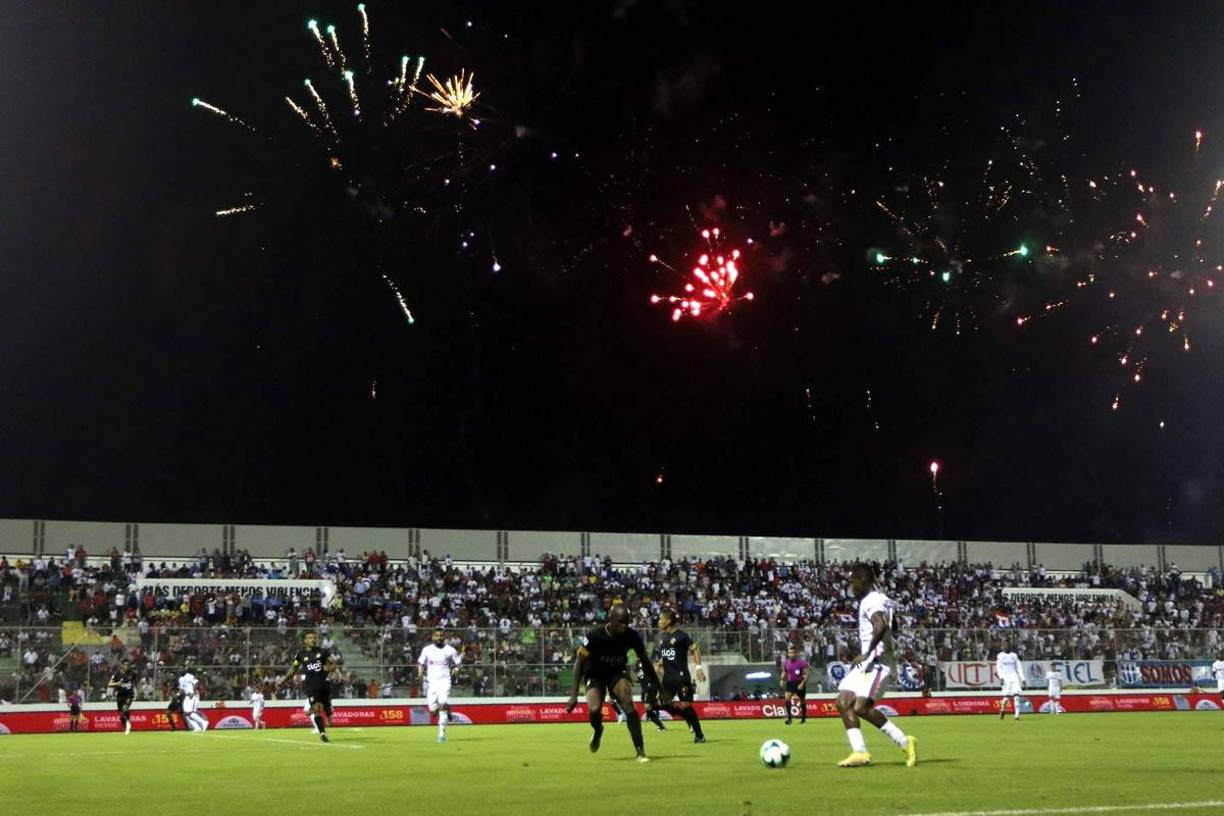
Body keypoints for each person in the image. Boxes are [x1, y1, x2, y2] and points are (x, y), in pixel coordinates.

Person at [835, 563, 918, 768]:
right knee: (843, 702)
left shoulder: (870, 600)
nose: (851, 587)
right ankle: (859, 752)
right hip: (869, 662)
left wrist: (867, 652)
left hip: (878, 662)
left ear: (862, 581)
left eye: (853, 582)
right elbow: (893, 625)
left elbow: (880, 624)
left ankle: (904, 741)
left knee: (861, 707)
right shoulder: (883, 599)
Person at [566, 603, 664, 763]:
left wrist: (660, 688)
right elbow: (579, 662)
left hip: (616, 673)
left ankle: (640, 751)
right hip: (595, 674)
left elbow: (645, 661)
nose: (624, 626)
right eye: (620, 622)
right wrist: (573, 695)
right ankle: (598, 730)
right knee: (594, 709)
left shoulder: (632, 636)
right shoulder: (594, 635)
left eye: (627, 622)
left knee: (628, 703)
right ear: (610, 619)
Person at [655, 608, 706, 743]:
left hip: (681, 677)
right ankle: (687, 718)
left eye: (661, 619)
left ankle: (699, 735)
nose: (659, 621)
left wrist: (698, 667)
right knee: (661, 704)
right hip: (667, 678)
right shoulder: (661, 638)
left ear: (668, 621)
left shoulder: (682, 636)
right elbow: (665, 657)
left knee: (686, 706)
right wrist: (658, 665)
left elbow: (694, 650)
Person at [276, 631, 337, 742]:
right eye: (309, 638)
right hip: (311, 685)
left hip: (324, 684)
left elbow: (333, 663)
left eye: (313, 637)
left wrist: (328, 669)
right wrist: (283, 681)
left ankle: (327, 713)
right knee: (317, 709)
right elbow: (293, 669)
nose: (312, 639)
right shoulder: (300, 654)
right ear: (305, 640)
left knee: (327, 710)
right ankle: (322, 733)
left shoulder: (322, 651)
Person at [417, 629, 462, 743]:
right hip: (431, 683)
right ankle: (447, 709)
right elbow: (420, 663)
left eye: (441, 635)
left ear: (444, 637)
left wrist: (456, 669)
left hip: (444, 681)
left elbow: (459, 663)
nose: (439, 637)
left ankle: (441, 734)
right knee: (433, 711)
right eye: (436, 635)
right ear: (433, 637)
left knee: (442, 704)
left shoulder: (450, 650)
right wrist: (420, 671)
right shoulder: (427, 650)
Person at [107, 658, 137, 735]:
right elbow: (109, 684)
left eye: (128, 664)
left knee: (125, 708)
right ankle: (126, 726)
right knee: (121, 715)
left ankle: (128, 725)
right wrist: (117, 683)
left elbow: (135, 683)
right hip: (120, 695)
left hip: (129, 694)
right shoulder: (116, 674)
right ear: (122, 665)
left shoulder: (132, 673)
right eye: (125, 664)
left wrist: (136, 691)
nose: (126, 666)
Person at [782, 643, 810, 725]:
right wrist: (782, 679)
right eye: (789, 653)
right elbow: (784, 671)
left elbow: (807, 673)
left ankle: (803, 719)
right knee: (787, 699)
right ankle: (789, 718)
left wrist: (802, 683)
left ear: (796, 653)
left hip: (799, 682)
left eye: (793, 653)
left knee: (802, 701)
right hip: (790, 683)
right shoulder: (786, 662)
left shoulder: (802, 663)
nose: (791, 654)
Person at [996, 647, 1024, 720]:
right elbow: (999, 668)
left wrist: (1023, 679)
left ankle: (1016, 716)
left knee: (1016, 697)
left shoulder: (1014, 655)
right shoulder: (1000, 656)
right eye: (1004, 645)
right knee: (1006, 698)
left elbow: (1019, 668)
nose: (1006, 647)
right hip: (1006, 678)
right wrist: (1001, 677)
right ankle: (1002, 710)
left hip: (1014, 677)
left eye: (1007, 645)